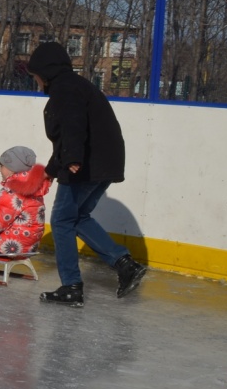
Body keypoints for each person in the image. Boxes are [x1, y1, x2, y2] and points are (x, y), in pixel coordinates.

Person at [26, 41, 147, 305]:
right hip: (104, 162)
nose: (36, 82)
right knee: (76, 217)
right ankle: (125, 264)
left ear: (46, 72)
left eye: (36, 76)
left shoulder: (65, 89)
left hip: (87, 163)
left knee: (60, 221)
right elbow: (69, 135)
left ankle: (71, 286)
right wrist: (51, 170)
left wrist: (71, 158)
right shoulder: (75, 86)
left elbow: (73, 125)